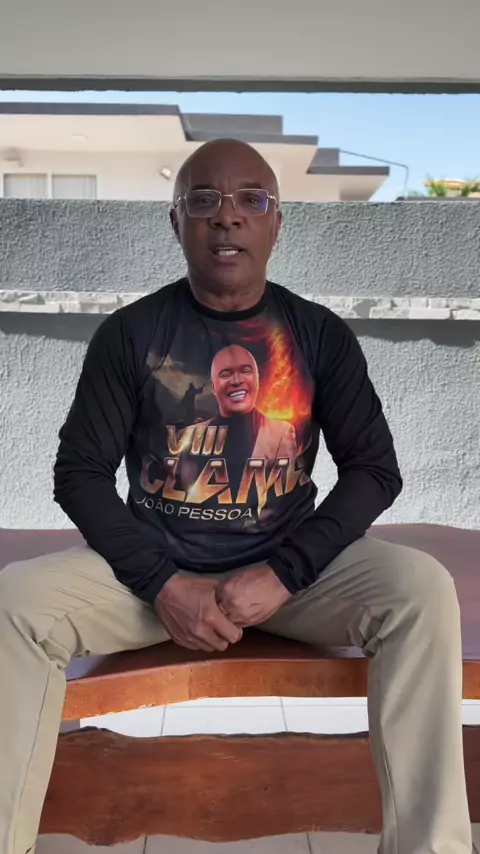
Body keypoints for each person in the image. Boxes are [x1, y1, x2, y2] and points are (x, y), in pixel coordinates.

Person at [0, 138, 470, 854]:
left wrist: (284, 572)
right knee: (14, 604)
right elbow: (81, 473)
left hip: (289, 574)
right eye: (204, 201)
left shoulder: (318, 335)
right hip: (151, 577)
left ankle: (429, 847)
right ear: (176, 222)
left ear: (277, 222)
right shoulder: (130, 335)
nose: (227, 217)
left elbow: (374, 469)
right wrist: (162, 583)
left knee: (421, 590)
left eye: (251, 199)